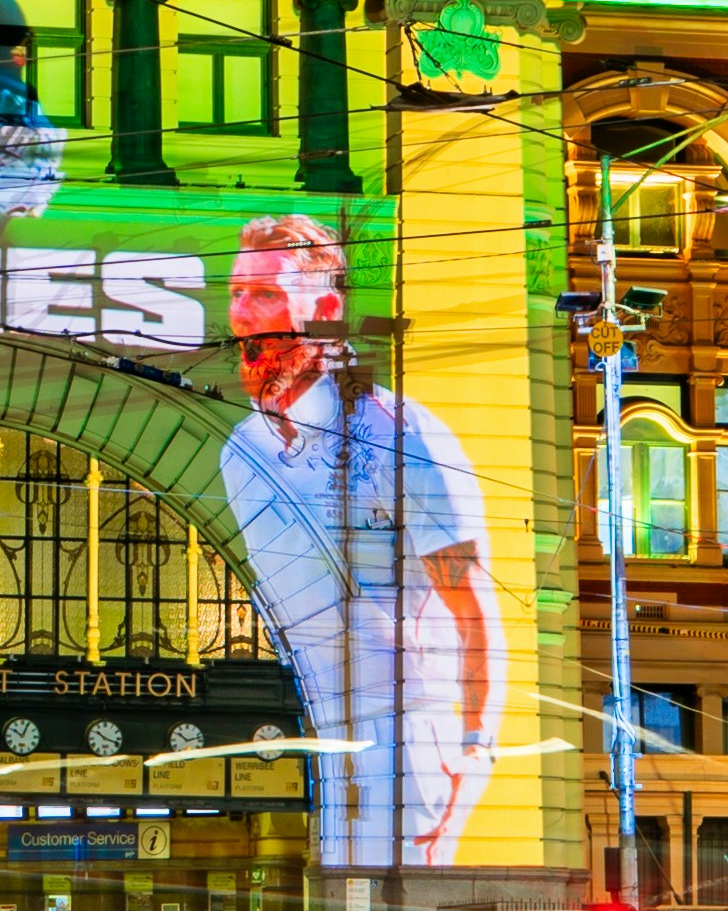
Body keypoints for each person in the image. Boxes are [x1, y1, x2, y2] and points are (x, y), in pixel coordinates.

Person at [203, 213, 509, 868]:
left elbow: (474, 607)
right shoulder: (243, 451)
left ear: (326, 309)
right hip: (310, 735)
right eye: (236, 293)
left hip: (401, 745)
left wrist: (476, 747)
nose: (244, 317)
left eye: (266, 296)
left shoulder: (401, 434)